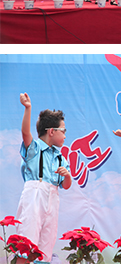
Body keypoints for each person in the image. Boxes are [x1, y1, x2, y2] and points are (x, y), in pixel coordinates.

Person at [15, 93, 72, 264]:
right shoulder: (34, 149)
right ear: (51, 131)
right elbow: (25, 133)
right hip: (34, 195)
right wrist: (28, 108)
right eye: (63, 131)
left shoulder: (60, 158)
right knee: (27, 243)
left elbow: (66, 185)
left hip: (52, 198)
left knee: (46, 244)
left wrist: (67, 175)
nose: (65, 136)